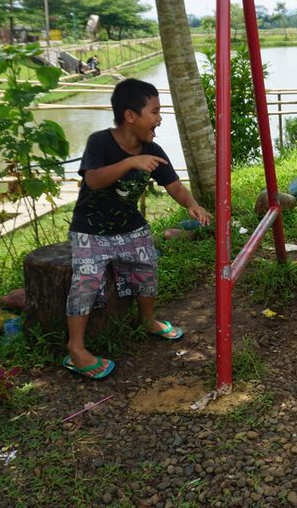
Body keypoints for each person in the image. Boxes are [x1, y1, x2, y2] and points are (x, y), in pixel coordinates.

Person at [63, 78, 211, 379]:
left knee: (147, 267)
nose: (159, 118)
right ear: (131, 116)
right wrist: (131, 163)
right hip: (90, 230)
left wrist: (191, 204)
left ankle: (147, 320)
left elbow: (174, 185)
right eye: (154, 111)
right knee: (86, 281)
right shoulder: (99, 142)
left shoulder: (152, 149)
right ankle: (76, 348)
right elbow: (93, 180)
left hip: (130, 227)